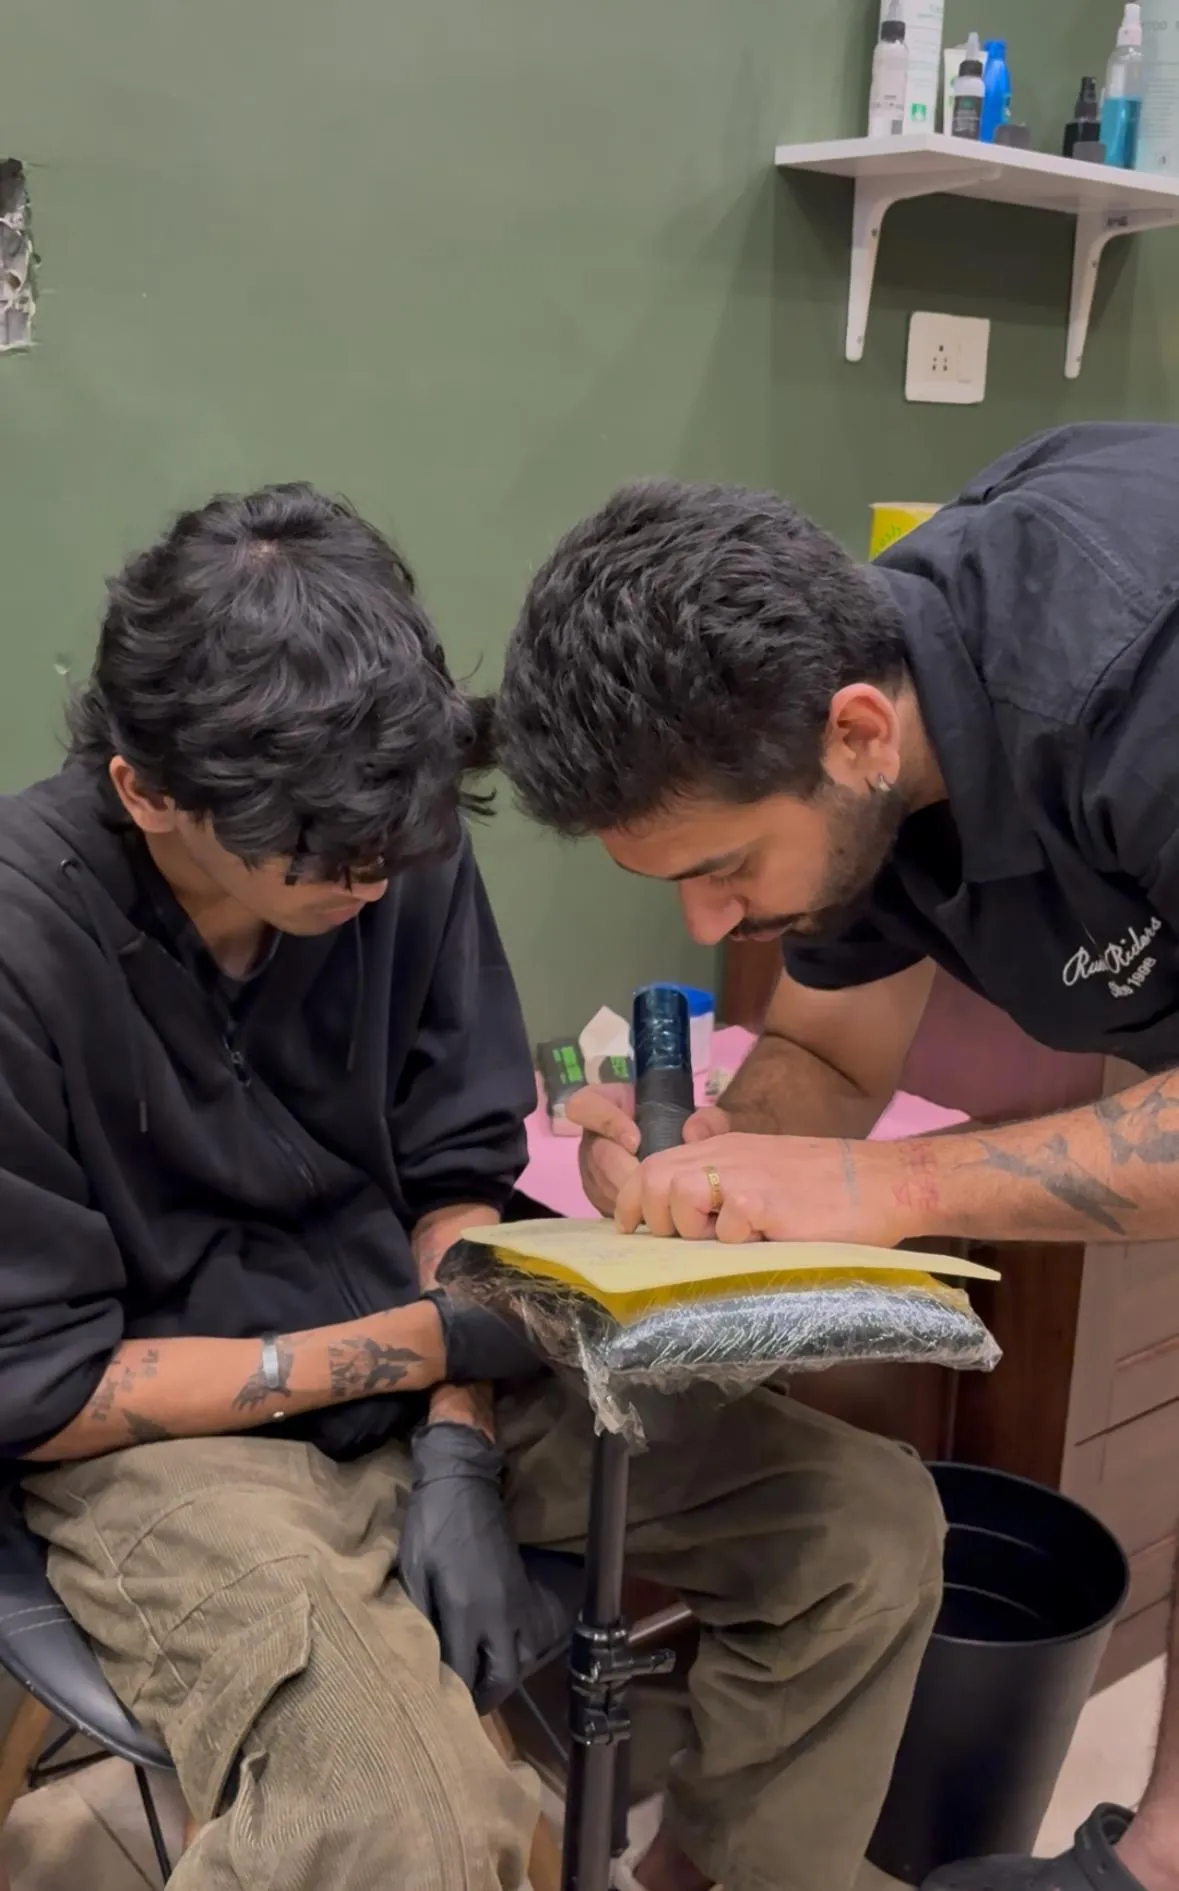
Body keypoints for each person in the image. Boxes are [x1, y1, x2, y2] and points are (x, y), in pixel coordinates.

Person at [0, 482, 941, 1891]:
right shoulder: (25, 944)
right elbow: (45, 1385)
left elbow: (455, 1177)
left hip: (434, 1367)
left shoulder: (385, 841)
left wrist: (454, 1434)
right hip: (168, 1444)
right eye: (323, 864)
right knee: (412, 1826)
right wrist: (433, 1346)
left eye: (399, 845)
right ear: (149, 793)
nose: (374, 887)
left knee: (865, 1536)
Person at [493, 422, 1179, 1891]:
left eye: (723, 869)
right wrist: (719, 1156)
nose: (705, 924)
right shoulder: (861, 718)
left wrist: (889, 1188)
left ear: (858, 735)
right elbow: (838, 1057)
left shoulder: (1132, 682)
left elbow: (880, 1161)